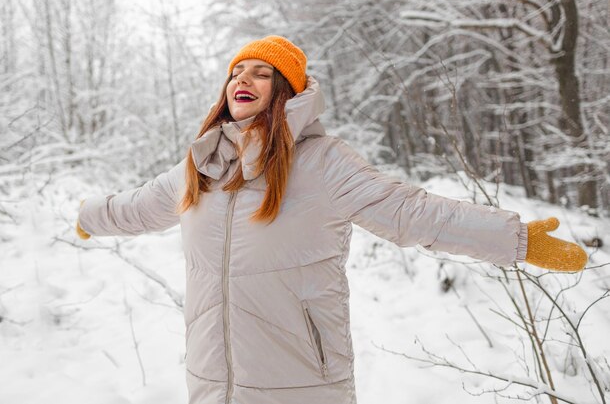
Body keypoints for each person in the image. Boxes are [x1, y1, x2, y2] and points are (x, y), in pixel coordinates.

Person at [76, 35, 588, 404]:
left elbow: (410, 211)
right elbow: (137, 207)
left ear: (287, 90)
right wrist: (88, 216)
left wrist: (514, 240)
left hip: (301, 383)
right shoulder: (202, 166)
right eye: (236, 71)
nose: (243, 79)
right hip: (211, 381)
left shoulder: (322, 162)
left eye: (261, 71)